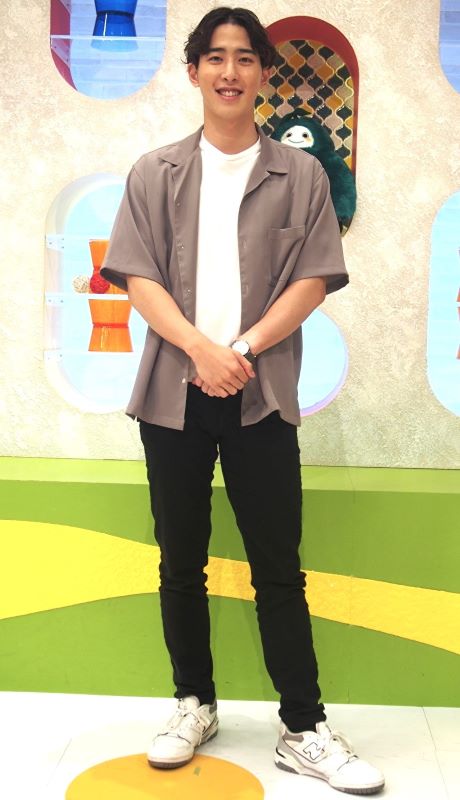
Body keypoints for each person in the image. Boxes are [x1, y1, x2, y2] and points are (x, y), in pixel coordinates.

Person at [101, 6, 385, 795]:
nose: (230, 72)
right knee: (180, 562)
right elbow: (138, 278)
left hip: (260, 396)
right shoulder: (154, 172)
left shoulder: (302, 176)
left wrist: (244, 351)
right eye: (216, 57)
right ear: (194, 70)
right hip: (174, 396)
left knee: (278, 567)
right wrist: (200, 350)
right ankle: (193, 703)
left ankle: (304, 727)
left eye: (246, 58)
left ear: (263, 73)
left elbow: (313, 279)